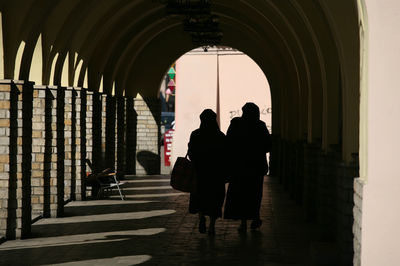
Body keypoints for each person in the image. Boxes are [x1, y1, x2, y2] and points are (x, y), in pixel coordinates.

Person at [224, 102, 271, 232]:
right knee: (255, 194)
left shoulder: (236, 124)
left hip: (238, 167)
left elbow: (228, 142)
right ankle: (255, 217)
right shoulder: (260, 125)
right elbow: (268, 145)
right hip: (255, 168)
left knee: (240, 194)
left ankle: (243, 221)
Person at [187, 109, 227, 235]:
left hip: (200, 173)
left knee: (200, 197)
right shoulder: (220, 136)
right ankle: (212, 226)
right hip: (216, 174)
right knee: (215, 200)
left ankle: (201, 218)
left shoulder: (195, 134)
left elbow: (191, 153)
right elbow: (225, 154)